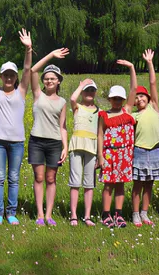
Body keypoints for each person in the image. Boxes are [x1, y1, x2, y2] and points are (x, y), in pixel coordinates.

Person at [0, 29, 33, 226]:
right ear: (2, 76)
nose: (8, 78)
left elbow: (27, 69)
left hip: (17, 142)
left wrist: (28, 49)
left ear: (15, 78)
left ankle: (11, 212)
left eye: (11, 75)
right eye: (5, 74)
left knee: (13, 178)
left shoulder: (21, 91)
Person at [121, 50, 159, 227]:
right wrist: (132, 69)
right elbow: (132, 91)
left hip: (155, 150)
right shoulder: (132, 115)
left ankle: (145, 213)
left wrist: (149, 63)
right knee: (138, 185)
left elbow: (153, 83)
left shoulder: (154, 107)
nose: (139, 98)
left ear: (148, 98)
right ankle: (135, 214)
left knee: (149, 185)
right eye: (137, 96)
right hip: (139, 151)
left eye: (142, 96)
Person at [28, 48, 70, 226]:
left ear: (59, 81)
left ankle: (49, 214)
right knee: (39, 177)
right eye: (47, 78)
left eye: (53, 78)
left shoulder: (62, 102)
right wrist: (51, 55)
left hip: (54, 143)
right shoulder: (38, 95)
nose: (49, 80)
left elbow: (63, 127)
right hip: (36, 141)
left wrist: (65, 147)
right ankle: (39, 214)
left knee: (51, 179)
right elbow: (32, 70)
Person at [97, 85, 136, 228]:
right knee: (108, 185)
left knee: (120, 184)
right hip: (108, 153)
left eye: (120, 99)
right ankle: (106, 214)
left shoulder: (127, 111)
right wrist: (100, 155)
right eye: (114, 99)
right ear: (109, 99)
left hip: (124, 154)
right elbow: (100, 134)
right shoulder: (103, 115)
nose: (117, 101)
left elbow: (134, 89)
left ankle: (118, 214)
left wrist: (131, 67)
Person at [68, 78, 99, 227]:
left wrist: (100, 155)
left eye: (92, 90)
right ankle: (73, 215)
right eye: (87, 90)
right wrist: (81, 85)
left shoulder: (99, 111)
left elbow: (100, 134)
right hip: (76, 146)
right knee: (75, 182)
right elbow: (72, 98)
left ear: (95, 93)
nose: (89, 93)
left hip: (92, 148)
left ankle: (87, 216)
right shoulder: (77, 107)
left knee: (89, 183)